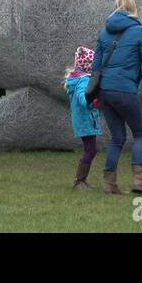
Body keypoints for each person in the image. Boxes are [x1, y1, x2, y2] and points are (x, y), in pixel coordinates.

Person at [93, 0, 142, 195]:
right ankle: (138, 181)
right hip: (124, 90)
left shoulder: (104, 33)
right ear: (133, 9)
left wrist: (95, 95)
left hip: (104, 92)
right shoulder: (141, 32)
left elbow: (95, 67)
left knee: (117, 137)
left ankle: (110, 185)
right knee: (140, 134)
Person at [63, 46, 102, 190]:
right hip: (86, 120)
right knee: (91, 151)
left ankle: (81, 181)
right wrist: (94, 102)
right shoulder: (84, 80)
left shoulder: (76, 78)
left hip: (83, 120)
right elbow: (83, 99)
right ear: (88, 66)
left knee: (90, 150)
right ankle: (79, 181)